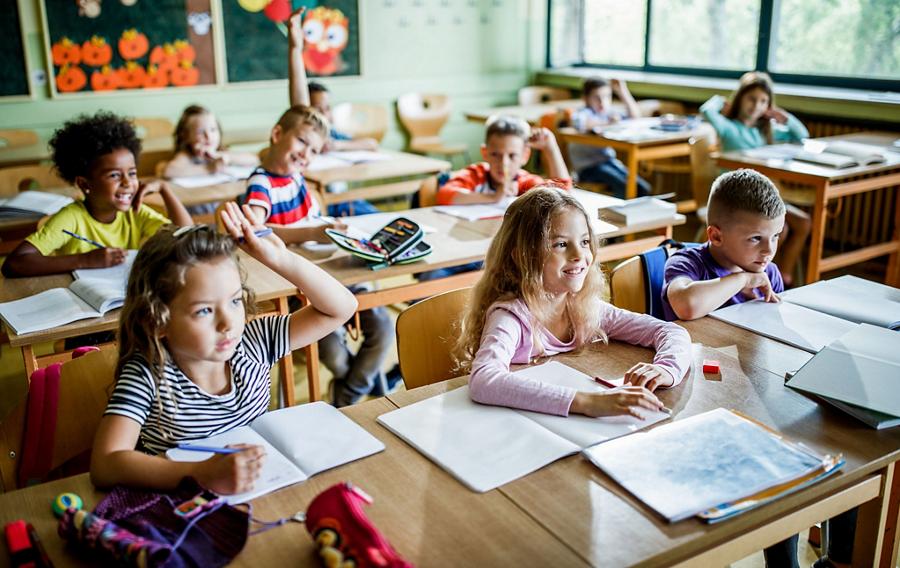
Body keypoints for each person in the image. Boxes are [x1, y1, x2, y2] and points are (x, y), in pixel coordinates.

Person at [90, 203, 358, 494]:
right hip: (190, 505)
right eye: (204, 311)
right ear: (158, 321)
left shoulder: (254, 342)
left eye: (234, 301)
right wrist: (200, 473)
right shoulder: (148, 373)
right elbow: (105, 465)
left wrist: (279, 257)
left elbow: (341, 308)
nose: (227, 323)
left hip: (263, 489)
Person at [457, 186, 691, 417]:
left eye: (585, 242)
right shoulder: (511, 317)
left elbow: (670, 331)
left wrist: (666, 368)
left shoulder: (584, 308)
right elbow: (483, 380)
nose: (578, 255)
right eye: (560, 244)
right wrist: (587, 401)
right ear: (522, 256)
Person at [2, 111, 192, 278]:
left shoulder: (134, 212)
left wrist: (165, 190)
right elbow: (15, 263)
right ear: (84, 184)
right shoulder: (71, 218)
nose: (127, 183)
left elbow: (187, 237)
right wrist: (85, 260)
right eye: (114, 175)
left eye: (132, 173)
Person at [700, 71, 811, 286]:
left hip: (761, 200)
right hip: (735, 199)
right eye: (751, 99)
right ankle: (757, 273)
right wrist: (721, 101)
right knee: (783, 228)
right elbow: (706, 110)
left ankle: (783, 275)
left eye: (763, 101)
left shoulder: (765, 132)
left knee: (804, 222)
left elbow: (802, 136)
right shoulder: (729, 128)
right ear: (740, 98)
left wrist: (783, 116)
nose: (756, 106)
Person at [662, 169, 784, 322]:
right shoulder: (687, 263)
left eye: (775, 236)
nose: (769, 250)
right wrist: (743, 280)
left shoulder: (770, 273)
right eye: (756, 238)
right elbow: (687, 306)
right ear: (716, 236)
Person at [435, 114, 571, 206]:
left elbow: (561, 196)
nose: (504, 163)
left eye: (512, 156)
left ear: (525, 156)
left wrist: (551, 148)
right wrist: (493, 198)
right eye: (495, 154)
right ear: (485, 153)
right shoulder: (476, 174)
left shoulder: (525, 182)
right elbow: (444, 194)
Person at [568, 77, 651, 198]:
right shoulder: (584, 112)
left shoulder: (608, 113)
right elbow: (577, 122)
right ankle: (619, 213)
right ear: (585, 99)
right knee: (625, 187)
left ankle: (638, 213)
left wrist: (623, 92)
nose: (602, 102)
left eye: (607, 96)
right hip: (587, 168)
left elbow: (635, 118)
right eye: (596, 97)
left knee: (643, 188)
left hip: (609, 162)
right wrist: (607, 123)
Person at [162, 105, 259, 179]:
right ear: (186, 136)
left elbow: (254, 159)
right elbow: (169, 171)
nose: (208, 136)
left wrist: (223, 156)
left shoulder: (220, 153)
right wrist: (209, 168)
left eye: (213, 130)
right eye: (200, 132)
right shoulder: (187, 155)